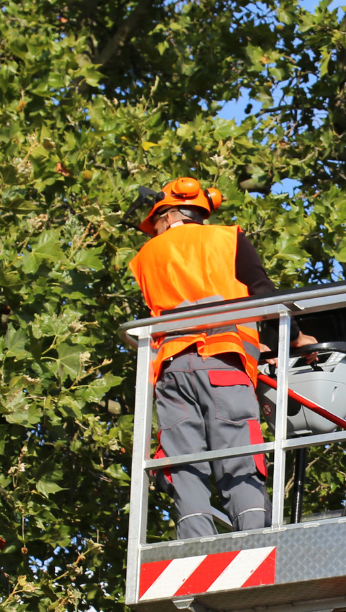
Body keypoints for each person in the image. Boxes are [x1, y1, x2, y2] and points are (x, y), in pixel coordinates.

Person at [127, 177, 314, 539]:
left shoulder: (146, 257)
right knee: (238, 453)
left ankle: (194, 540)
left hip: (171, 370)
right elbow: (263, 295)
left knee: (183, 461)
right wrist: (292, 339)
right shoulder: (226, 239)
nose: (155, 230)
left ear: (167, 215)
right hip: (222, 362)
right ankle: (255, 537)